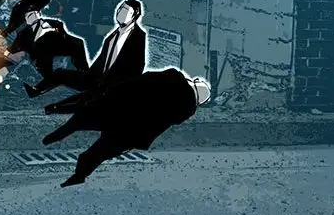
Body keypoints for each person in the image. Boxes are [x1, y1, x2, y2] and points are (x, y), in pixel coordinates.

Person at [41, 68, 211, 187]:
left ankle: (55, 136)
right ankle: (78, 176)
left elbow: (145, 79)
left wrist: (119, 90)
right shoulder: (186, 111)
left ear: (195, 82)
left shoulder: (173, 76)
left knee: (84, 117)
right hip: (134, 131)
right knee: (98, 152)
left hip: (123, 105)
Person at [43, 0, 148, 111]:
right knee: (61, 74)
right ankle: (37, 91)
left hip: (114, 84)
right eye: (120, 8)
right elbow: (101, 59)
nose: (120, 12)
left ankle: (57, 108)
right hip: (97, 78)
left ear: (134, 16)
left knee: (88, 98)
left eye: (125, 10)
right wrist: (89, 74)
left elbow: (138, 66)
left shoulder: (138, 37)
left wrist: (125, 87)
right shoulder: (112, 36)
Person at [5, 10, 90, 98]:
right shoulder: (23, 34)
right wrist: (5, 52)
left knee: (77, 45)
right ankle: (40, 87)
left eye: (31, 14)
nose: (29, 17)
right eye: (27, 16)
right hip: (40, 60)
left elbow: (69, 38)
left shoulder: (53, 24)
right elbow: (12, 49)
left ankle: (83, 71)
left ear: (38, 14)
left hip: (58, 52)